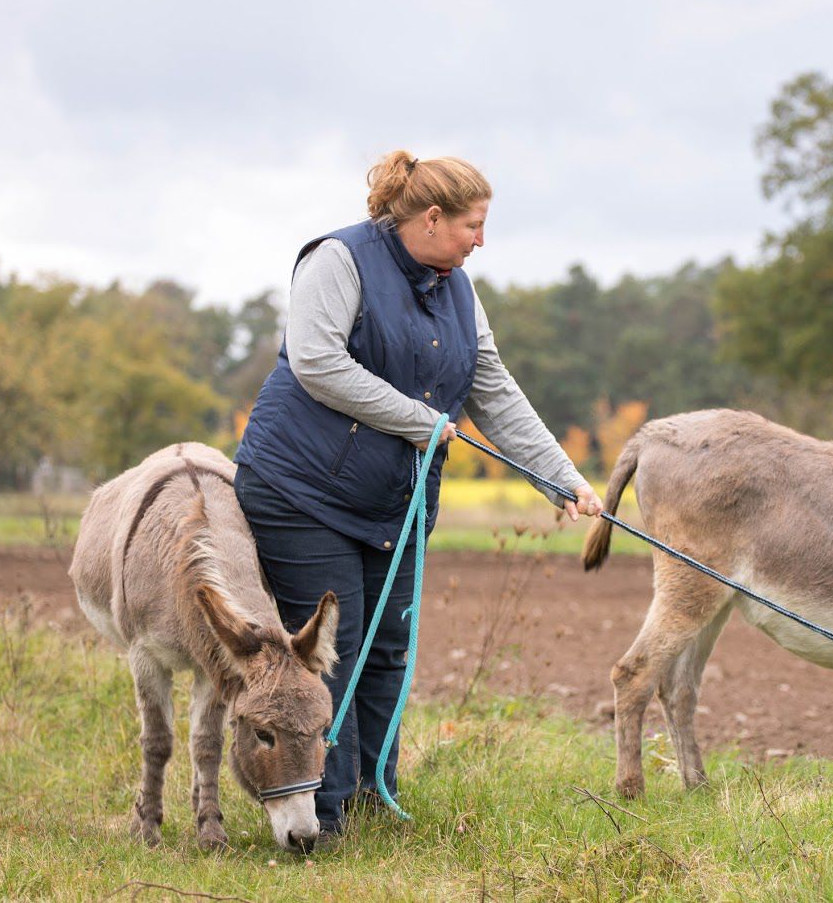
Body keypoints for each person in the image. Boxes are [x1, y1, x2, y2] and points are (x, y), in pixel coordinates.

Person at [233, 151, 602, 843]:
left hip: (390, 502)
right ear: (431, 217)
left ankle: (375, 796)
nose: (480, 241)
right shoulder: (338, 260)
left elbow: (491, 386)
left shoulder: (456, 284)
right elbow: (315, 361)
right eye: (473, 224)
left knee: (388, 647)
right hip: (301, 491)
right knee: (327, 654)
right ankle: (324, 816)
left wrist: (562, 478)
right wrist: (418, 420)